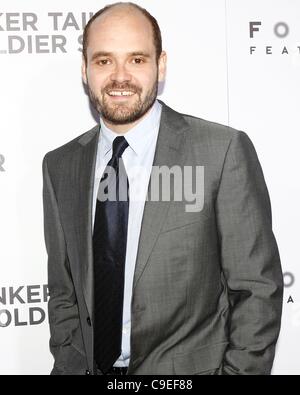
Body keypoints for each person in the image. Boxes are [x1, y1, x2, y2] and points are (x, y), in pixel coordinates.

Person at [42, 2, 283, 375]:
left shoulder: (220, 152)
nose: (120, 77)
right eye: (104, 60)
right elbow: (64, 293)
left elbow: (257, 290)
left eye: (136, 59)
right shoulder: (60, 166)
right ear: (85, 70)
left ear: (161, 64)